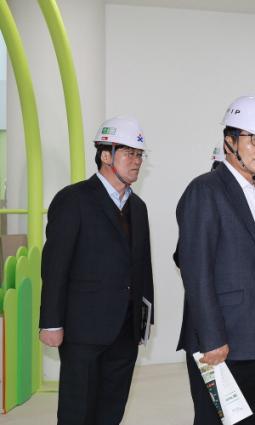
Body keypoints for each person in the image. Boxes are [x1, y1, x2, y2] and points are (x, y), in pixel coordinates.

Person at [176, 95, 255, 425]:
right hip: (221, 340)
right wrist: (212, 339)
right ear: (230, 141)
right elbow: (196, 271)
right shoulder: (205, 191)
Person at [39, 116, 154, 425]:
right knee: (78, 412)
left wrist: (143, 322)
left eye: (139, 154)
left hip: (125, 331)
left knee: (111, 411)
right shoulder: (73, 199)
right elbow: (55, 265)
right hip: (83, 331)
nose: (136, 161)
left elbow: (142, 267)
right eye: (128, 153)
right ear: (106, 155)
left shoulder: (138, 207)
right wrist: (50, 322)